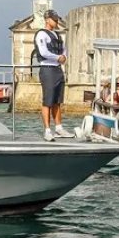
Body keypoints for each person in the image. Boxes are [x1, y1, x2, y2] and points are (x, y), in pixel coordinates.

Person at [35, 9, 74, 140]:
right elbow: (44, 52)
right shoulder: (41, 34)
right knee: (48, 101)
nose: (56, 21)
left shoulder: (58, 35)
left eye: (57, 19)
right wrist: (58, 58)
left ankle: (59, 128)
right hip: (47, 69)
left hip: (57, 69)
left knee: (57, 101)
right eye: (54, 19)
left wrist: (63, 57)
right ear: (47, 19)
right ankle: (47, 130)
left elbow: (64, 50)